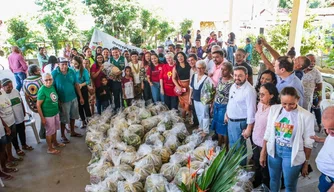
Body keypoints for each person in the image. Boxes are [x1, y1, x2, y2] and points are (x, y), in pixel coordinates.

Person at [260, 87, 315, 192]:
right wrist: (263, 151)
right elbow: (268, 131)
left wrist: (306, 163)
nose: (287, 107)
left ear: (297, 100)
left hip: (291, 152)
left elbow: (308, 143)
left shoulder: (307, 116)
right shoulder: (274, 109)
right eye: (284, 103)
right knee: (274, 179)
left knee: (289, 184)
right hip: (275, 149)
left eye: (291, 104)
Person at [225, 66, 257, 165]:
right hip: (231, 121)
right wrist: (226, 114)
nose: (237, 78)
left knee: (239, 149)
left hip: (240, 123)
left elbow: (252, 110)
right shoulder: (234, 85)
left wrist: (249, 128)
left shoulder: (249, 90)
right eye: (235, 75)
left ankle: (241, 170)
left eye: (240, 76)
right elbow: (230, 101)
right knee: (232, 146)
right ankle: (233, 167)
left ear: (246, 76)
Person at [252, 83, 279, 188]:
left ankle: (266, 186)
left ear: (271, 95)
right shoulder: (260, 105)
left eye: (263, 94)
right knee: (257, 164)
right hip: (255, 140)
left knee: (265, 168)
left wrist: (264, 150)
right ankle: (257, 182)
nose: (260, 97)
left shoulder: (274, 110)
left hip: (265, 144)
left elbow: (271, 132)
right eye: (259, 94)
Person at [52, 57, 84, 143]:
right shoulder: (54, 73)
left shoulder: (71, 71)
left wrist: (80, 97)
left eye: (66, 64)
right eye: (62, 64)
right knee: (64, 118)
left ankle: (72, 131)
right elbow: (52, 87)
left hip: (73, 97)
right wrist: (57, 99)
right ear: (58, 64)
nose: (65, 66)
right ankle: (62, 135)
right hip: (63, 100)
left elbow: (76, 84)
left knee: (73, 116)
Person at [2, 78, 33, 153]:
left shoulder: (15, 91)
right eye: (8, 87)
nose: (11, 88)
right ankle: (17, 149)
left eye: (11, 86)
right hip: (10, 120)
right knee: (14, 135)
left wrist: (23, 110)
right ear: (3, 87)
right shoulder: (2, 95)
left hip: (19, 116)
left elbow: (20, 101)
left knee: (22, 131)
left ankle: (24, 144)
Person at [37, 73, 65, 154]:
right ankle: (50, 148)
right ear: (42, 81)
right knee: (49, 132)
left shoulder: (52, 87)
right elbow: (38, 105)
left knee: (55, 129)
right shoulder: (42, 90)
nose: (48, 81)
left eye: (50, 79)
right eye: (46, 80)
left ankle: (55, 142)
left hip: (55, 112)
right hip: (48, 115)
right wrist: (42, 118)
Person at [311, 106, 334, 192]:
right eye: (325, 128)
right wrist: (322, 140)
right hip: (326, 175)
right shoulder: (331, 133)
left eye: (332, 129)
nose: (328, 132)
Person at [211, 62, 234, 147]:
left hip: (225, 107)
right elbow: (217, 92)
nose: (223, 71)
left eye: (225, 69)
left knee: (224, 128)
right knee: (217, 126)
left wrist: (228, 111)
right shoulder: (220, 79)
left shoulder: (232, 82)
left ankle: (226, 147)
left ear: (230, 70)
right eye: (222, 69)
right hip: (217, 105)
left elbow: (232, 98)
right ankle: (219, 143)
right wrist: (213, 104)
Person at [189, 60, 213, 137]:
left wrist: (210, 102)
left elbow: (210, 91)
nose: (200, 70)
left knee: (205, 115)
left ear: (204, 68)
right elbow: (191, 88)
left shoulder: (207, 78)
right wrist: (189, 98)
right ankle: (201, 127)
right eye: (198, 68)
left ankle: (205, 130)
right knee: (199, 114)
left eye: (202, 68)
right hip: (195, 98)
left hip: (204, 100)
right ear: (196, 68)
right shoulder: (194, 76)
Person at [0, 82, 21, 166]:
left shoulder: (3, 92)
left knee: (10, 141)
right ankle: (6, 162)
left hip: (11, 120)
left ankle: (10, 156)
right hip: (5, 124)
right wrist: (5, 126)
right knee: (4, 144)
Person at [72, 56, 91, 128]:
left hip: (83, 89)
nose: (74, 65)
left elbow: (88, 81)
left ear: (80, 63)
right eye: (73, 63)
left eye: (76, 64)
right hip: (75, 90)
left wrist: (81, 85)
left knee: (86, 105)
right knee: (79, 107)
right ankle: (83, 121)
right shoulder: (72, 70)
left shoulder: (84, 71)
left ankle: (89, 120)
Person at [172, 52, 192, 122]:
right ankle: (184, 117)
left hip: (190, 86)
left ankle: (189, 117)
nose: (180, 58)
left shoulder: (189, 65)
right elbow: (173, 78)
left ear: (184, 56)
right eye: (178, 57)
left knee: (189, 102)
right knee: (183, 102)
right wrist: (178, 86)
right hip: (181, 87)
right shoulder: (175, 67)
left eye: (181, 56)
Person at [188, 54, 199, 127]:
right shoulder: (191, 70)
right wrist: (190, 96)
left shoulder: (200, 69)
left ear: (196, 60)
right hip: (193, 92)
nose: (191, 62)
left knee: (201, 111)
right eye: (189, 61)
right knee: (194, 109)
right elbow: (191, 83)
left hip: (200, 93)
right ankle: (195, 123)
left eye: (192, 60)